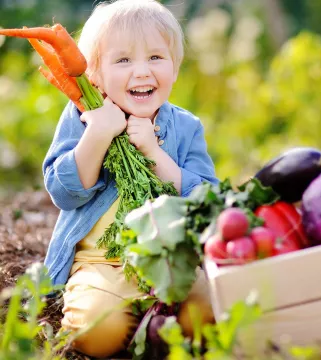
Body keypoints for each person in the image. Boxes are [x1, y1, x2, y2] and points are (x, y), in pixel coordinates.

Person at [42, 0, 218, 357]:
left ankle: (153, 326)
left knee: (213, 309)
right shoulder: (81, 117)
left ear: (175, 67)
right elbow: (64, 194)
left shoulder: (185, 127)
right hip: (102, 265)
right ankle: (134, 327)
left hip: (171, 262)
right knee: (96, 329)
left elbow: (208, 201)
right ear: (95, 74)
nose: (142, 72)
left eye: (156, 57)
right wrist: (98, 135)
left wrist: (156, 154)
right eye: (123, 60)